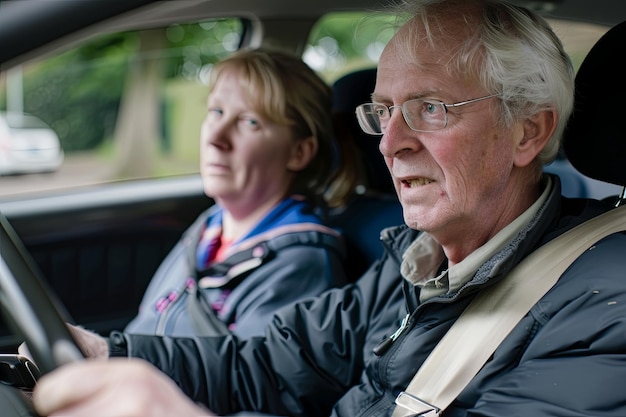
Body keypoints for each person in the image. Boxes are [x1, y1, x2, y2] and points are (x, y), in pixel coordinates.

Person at [29, 0, 626, 416]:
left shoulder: (606, 307)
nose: (391, 142)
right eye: (384, 111)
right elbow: (265, 364)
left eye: (430, 109)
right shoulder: (412, 263)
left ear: (527, 132)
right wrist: (108, 352)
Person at [123, 48, 351, 339]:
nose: (216, 138)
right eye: (216, 112)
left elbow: (238, 380)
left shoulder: (301, 264)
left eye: (249, 121)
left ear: (299, 152)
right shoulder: (209, 226)